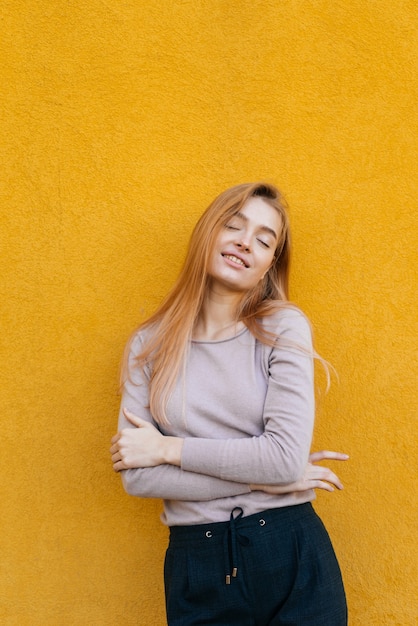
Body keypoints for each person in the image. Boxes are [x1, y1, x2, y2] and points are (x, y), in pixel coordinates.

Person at [110, 182, 348, 625]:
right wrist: (265, 481)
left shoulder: (283, 327)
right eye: (233, 225)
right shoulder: (148, 345)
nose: (245, 241)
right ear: (207, 234)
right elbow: (138, 479)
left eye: (263, 239)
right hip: (195, 563)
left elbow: (280, 459)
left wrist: (168, 450)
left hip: (291, 550)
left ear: (268, 267)